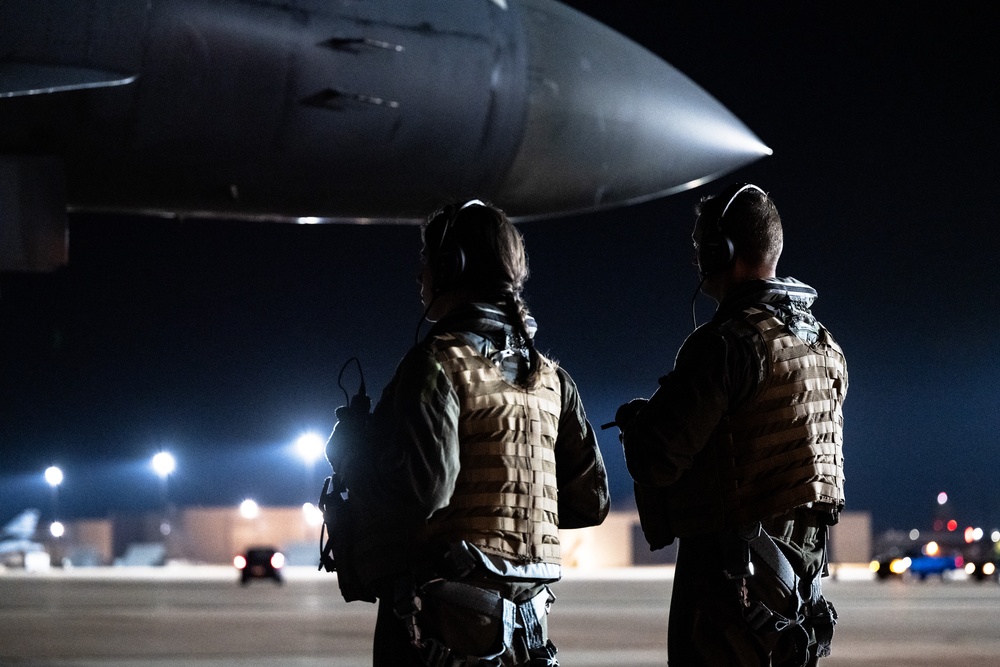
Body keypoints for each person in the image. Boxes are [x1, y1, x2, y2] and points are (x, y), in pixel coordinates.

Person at [325, 199, 610, 667]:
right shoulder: (552, 380)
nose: (419, 274)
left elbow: (423, 490)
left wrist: (352, 453)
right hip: (528, 634)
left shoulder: (437, 363)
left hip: (439, 631)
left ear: (449, 266)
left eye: (426, 259)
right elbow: (590, 503)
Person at [615, 184, 847, 667]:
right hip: (796, 594)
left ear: (722, 251)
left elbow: (656, 461)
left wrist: (639, 424)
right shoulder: (825, 348)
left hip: (730, 594)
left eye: (702, 246)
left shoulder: (727, 344)